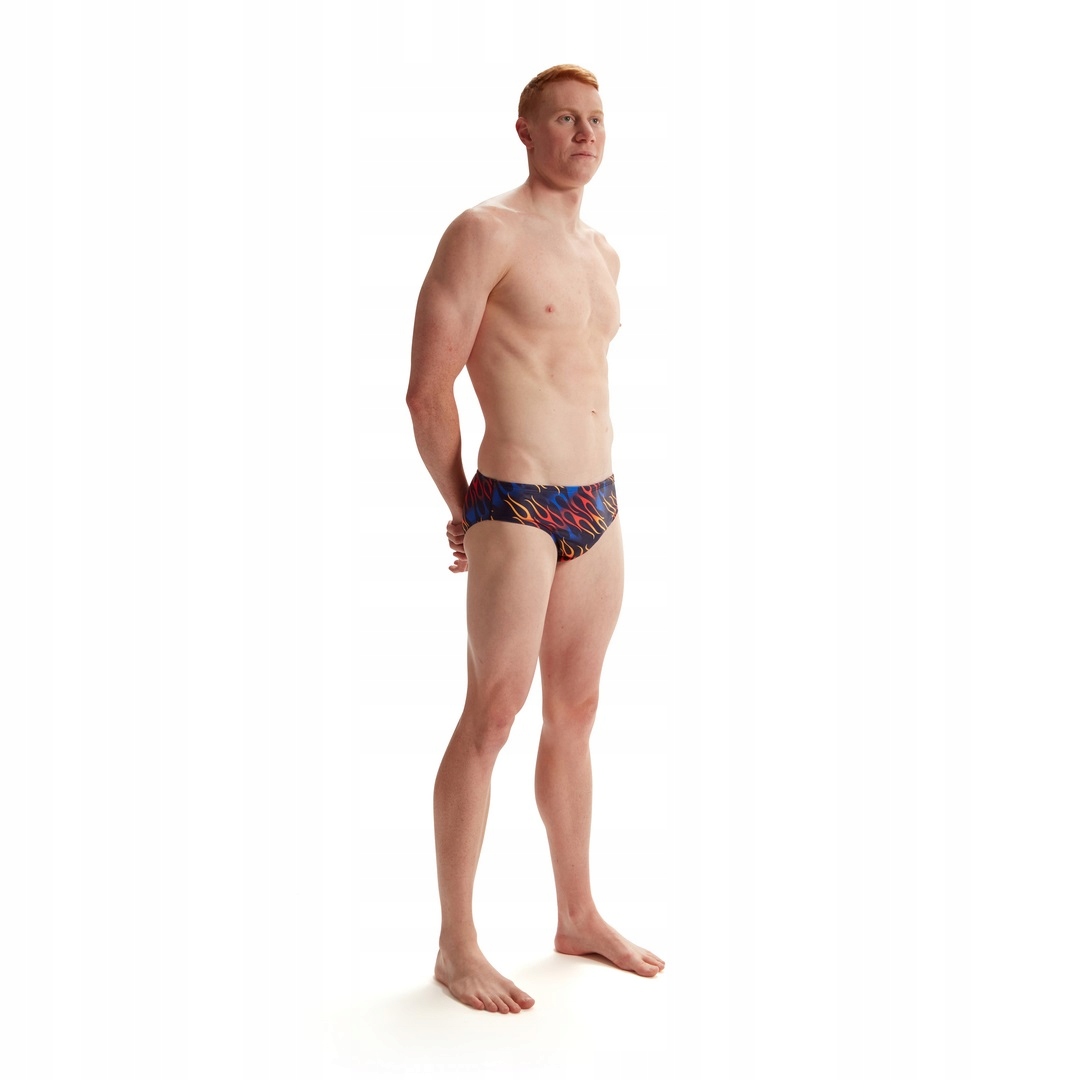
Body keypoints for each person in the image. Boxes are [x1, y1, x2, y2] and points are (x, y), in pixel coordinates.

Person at [406, 63, 664, 1014]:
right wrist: (462, 504)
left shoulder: (604, 253)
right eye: (564, 118)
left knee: (577, 712)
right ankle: (456, 945)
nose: (584, 133)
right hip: (514, 501)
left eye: (595, 119)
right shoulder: (484, 232)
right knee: (492, 715)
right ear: (525, 130)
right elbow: (427, 389)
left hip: (599, 502)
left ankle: (577, 914)